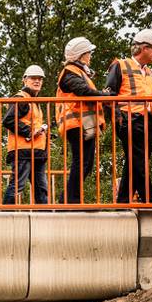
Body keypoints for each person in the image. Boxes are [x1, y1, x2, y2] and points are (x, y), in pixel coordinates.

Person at [107, 29, 152, 204]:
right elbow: (110, 94)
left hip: (151, 122)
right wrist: (117, 118)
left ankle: (123, 200)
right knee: (139, 161)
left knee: (136, 161)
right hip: (129, 119)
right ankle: (151, 200)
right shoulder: (120, 65)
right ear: (144, 48)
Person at [56, 36, 109, 204]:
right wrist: (104, 95)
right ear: (80, 55)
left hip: (83, 124)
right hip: (76, 124)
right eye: (88, 53)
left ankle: (68, 199)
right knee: (81, 163)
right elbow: (83, 91)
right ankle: (71, 201)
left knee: (86, 164)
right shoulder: (70, 72)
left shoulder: (78, 72)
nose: (90, 56)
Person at [1, 65, 49, 205]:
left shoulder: (33, 100)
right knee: (17, 185)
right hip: (23, 151)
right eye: (33, 78)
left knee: (41, 189)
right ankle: (4, 217)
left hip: (36, 151)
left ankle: (44, 219)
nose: (37, 81)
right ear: (25, 80)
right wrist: (29, 131)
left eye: (40, 79)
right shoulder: (21, 98)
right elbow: (8, 120)